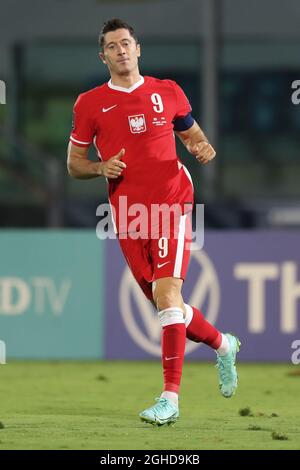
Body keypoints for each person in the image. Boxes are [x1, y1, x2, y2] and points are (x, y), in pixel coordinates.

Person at [67, 18, 240, 427]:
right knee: (168, 306)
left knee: (167, 297)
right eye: (112, 46)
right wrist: (100, 167)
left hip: (171, 203)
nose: (121, 50)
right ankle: (223, 344)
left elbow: (192, 134)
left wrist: (201, 147)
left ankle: (170, 399)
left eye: (126, 43)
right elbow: (74, 166)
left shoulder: (168, 91)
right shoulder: (89, 104)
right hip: (128, 214)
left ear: (138, 48)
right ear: (103, 56)